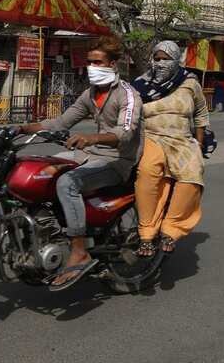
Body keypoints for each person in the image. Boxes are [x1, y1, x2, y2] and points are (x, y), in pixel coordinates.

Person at [16, 37, 142, 290]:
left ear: (113, 64)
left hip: (117, 160)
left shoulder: (128, 95)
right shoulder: (90, 94)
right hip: (90, 155)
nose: (91, 67)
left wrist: (92, 137)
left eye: (98, 62)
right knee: (40, 171)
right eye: (89, 62)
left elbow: (126, 132)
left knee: (66, 183)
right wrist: (19, 128)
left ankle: (79, 250)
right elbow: (61, 123)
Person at [131, 41, 208, 256]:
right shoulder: (139, 85)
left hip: (182, 139)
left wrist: (198, 144)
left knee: (193, 174)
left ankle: (171, 229)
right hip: (152, 137)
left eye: (167, 59)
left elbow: (201, 114)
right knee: (148, 171)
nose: (161, 63)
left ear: (177, 60)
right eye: (157, 59)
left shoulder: (190, 83)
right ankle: (146, 233)